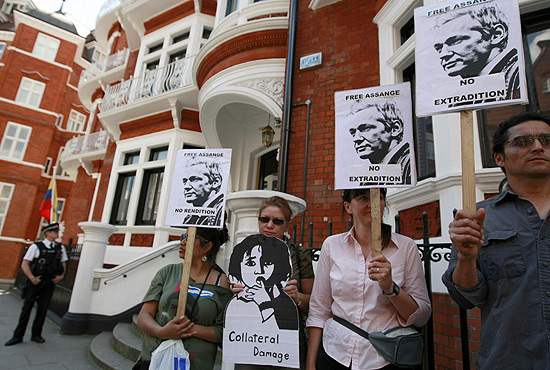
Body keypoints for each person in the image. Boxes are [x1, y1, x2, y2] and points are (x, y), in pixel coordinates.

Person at [442, 112, 550, 369]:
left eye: (546, 140)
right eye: (523, 142)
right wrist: (467, 259)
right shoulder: (476, 218)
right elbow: (467, 299)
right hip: (510, 360)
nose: (538, 147)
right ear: (499, 158)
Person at [307, 189, 431, 370]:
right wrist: (311, 364)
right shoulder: (332, 246)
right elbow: (319, 310)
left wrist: (390, 288)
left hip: (386, 357)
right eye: (363, 197)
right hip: (336, 352)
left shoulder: (406, 247)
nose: (372, 204)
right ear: (348, 207)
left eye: (378, 198)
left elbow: (421, 316)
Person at [232, 195, 315, 370]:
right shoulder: (243, 252)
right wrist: (236, 293)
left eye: (277, 221)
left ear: (287, 225)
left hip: (286, 344)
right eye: (264, 219)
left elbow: (314, 304)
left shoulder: (300, 255)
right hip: (249, 341)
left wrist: (298, 297)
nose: (269, 225)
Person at [133, 226, 232, 370]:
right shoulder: (167, 272)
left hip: (196, 364)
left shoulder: (220, 281)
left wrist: (187, 329)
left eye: (189, 238)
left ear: (207, 247)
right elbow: (144, 315)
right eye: (182, 237)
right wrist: (162, 332)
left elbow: (222, 332)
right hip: (154, 360)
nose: (182, 242)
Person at [432, 3, 520, 100]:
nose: (443, 55)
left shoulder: (519, 76)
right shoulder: (462, 94)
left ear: (496, 35)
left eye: (455, 41)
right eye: (439, 49)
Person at [5, 222, 67, 346]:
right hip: (35, 282)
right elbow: (25, 263)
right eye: (54, 231)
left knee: (43, 309)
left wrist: (61, 276)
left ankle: (36, 334)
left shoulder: (60, 248)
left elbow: (63, 262)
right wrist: (32, 278)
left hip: (49, 282)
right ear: (48, 233)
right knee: (26, 309)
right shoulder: (36, 246)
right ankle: (18, 336)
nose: (57, 233)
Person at [228, 234, 299, 330]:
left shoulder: (285, 304)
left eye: (267, 263)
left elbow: (282, 335)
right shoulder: (235, 303)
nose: (259, 271)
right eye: (250, 263)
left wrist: (265, 304)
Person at [346, 100, 411, 184]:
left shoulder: (410, 164)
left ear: (395, 128)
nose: (356, 139)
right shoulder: (367, 180)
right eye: (353, 133)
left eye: (365, 128)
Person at [181, 156, 224, 226]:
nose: (186, 187)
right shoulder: (190, 218)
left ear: (215, 182)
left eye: (195, 179)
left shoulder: (221, 209)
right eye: (185, 181)